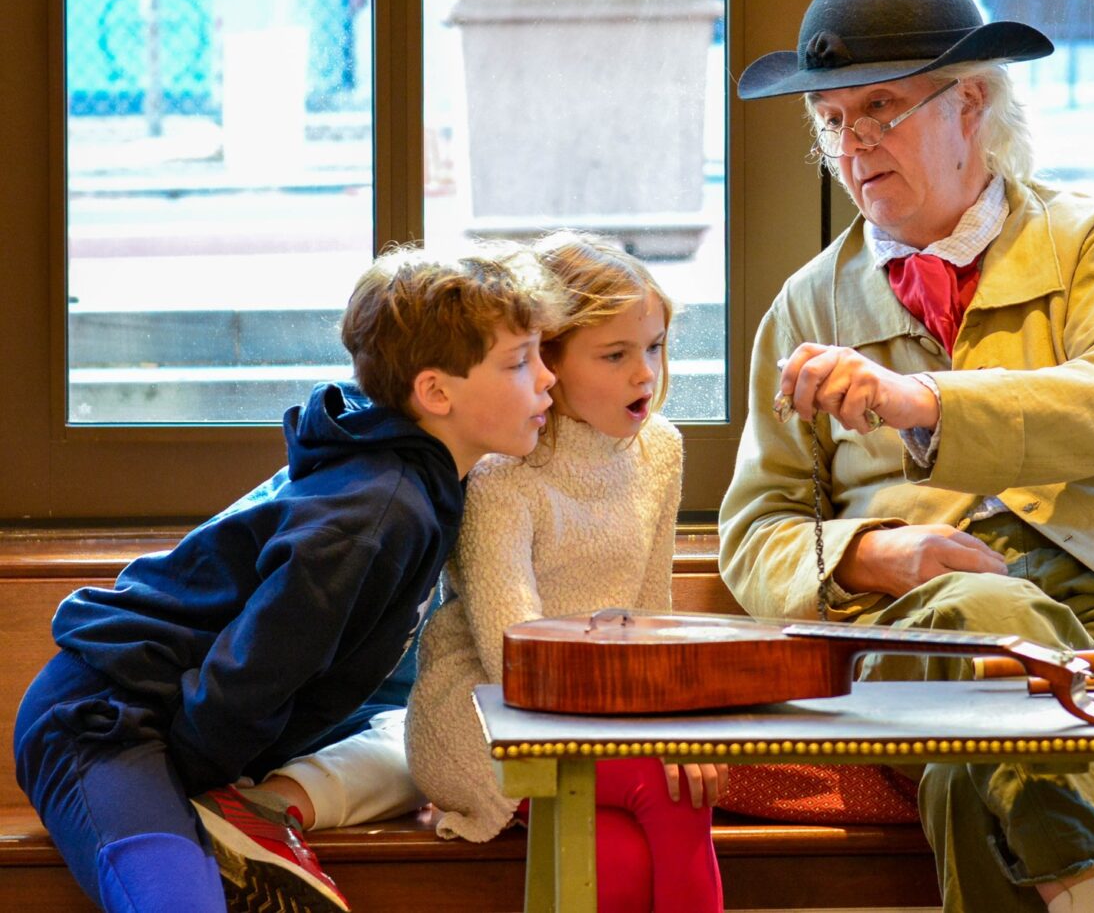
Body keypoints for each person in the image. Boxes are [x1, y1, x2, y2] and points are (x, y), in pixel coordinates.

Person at [718, 0, 1094, 913]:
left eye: (880, 107)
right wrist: (880, 554)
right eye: (833, 121)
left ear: (971, 104)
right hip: (922, 641)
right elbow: (757, 532)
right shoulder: (805, 305)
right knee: (976, 606)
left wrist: (923, 401)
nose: (853, 145)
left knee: (969, 778)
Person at [12, 241, 562, 913]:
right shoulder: (377, 510)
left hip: (195, 723)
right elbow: (251, 674)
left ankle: (249, 816)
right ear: (435, 391)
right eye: (519, 362)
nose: (547, 380)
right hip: (106, 721)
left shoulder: (426, 481)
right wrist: (195, 789)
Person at [406, 231, 725, 913]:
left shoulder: (659, 450)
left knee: (621, 865)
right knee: (673, 789)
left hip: (602, 720)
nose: (645, 374)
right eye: (615, 355)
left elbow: (650, 607)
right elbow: (514, 650)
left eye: (655, 347)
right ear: (547, 361)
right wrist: (646, 738)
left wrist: (670, 722)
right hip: (490, 713)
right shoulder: (504, 476)